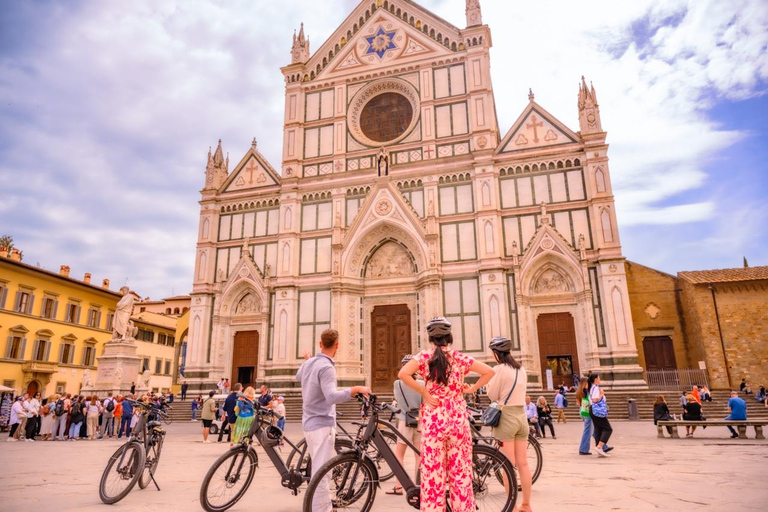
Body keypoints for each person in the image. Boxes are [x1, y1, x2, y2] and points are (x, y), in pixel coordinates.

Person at [399, 317, 495, 512]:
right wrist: (470, 388)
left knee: (433, 477)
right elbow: (489, 371)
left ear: (430, 339)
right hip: (457, 420)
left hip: (434, 420)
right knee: (461, 476)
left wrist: (425, 393)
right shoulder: (459, 358)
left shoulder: (424, 357)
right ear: (449, 337)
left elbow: (403, 374)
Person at [297, 328, 371, 512]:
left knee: (320, 470)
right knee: (322, 473)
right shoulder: (327, 367)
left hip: (309, 424)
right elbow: (331, 397)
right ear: (337, 346)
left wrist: (308, 361)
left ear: (320, 344)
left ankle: (324, 508)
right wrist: (355, 389)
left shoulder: (310, 363)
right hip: (322, 425)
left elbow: (298, 376)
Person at [485, 336, 532, 512]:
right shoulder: (521, 369)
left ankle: (512, 507)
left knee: (507, 465)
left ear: (496, 354)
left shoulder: (499, 369)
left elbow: (492, 395)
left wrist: (489, 386)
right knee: (523, 464)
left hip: (506, 418)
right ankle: (526, 504)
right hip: (521, 416)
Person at [389, 354, 423, 496]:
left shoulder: (398, 384)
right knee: (419, 456)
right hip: (419, 422)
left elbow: (397, 400)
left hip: (404, 421)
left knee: (399, 455)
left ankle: (398, 486)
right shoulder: (422, 384)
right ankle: (418, 485)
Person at [588, 373, 612, 457]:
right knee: (608, 429)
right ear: (596, 379)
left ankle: (600, 451)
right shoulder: (595, 388)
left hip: (593, 410)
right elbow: (595, 400)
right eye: (599, 378)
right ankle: (599, 446)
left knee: (598, 429)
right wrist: (601, 394)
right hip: (597, 410)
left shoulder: (591, 388)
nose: (600, 379)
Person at [576, 377, 593, 455]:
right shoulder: (585, 391)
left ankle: (603, 446)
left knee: (592, 429)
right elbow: (590, 401)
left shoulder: (579, 391)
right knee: (588, 430)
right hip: (587, 410)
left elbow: (578, 403)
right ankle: (583, 449)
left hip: (582, 409)